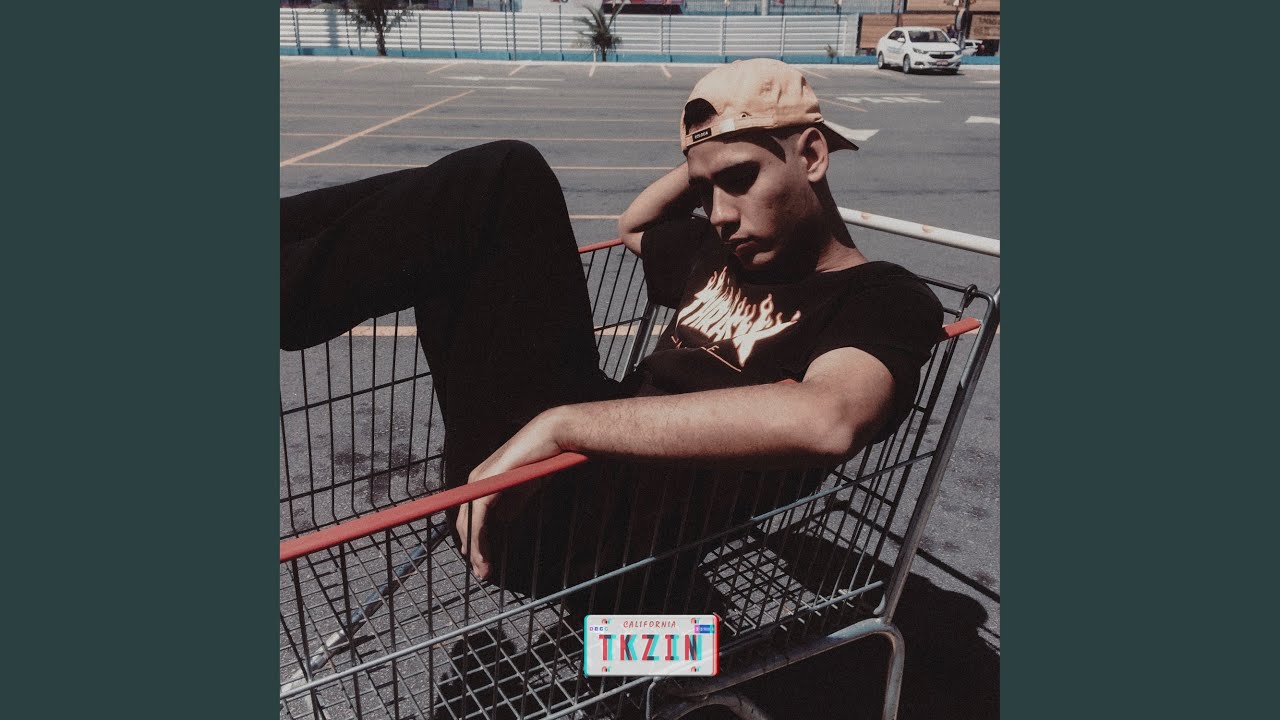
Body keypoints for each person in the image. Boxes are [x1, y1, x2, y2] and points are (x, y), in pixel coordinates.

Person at [280, 59, 942, 612]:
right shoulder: (723, 249)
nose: (720, 214)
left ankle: (665, 646)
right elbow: (634, 225)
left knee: (505, 176)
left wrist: (563, 426)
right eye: (706, 191)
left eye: (742, 179)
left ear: (813, 155)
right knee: (459, 203)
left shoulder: (881, 297)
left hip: (593, 530)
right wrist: (708, 156)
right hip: (560, 481)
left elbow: (829, 418)